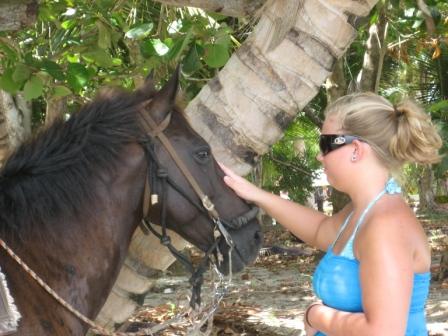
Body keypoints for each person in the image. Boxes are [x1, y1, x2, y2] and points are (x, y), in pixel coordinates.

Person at [220, 92, 442, 336]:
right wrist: (256, 195)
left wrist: (316, 316)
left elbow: (384, 332)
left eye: (325, 144)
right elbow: (319, 230)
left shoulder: (386, 225)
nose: (319, 155)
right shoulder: (362, 211)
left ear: (356, 149)